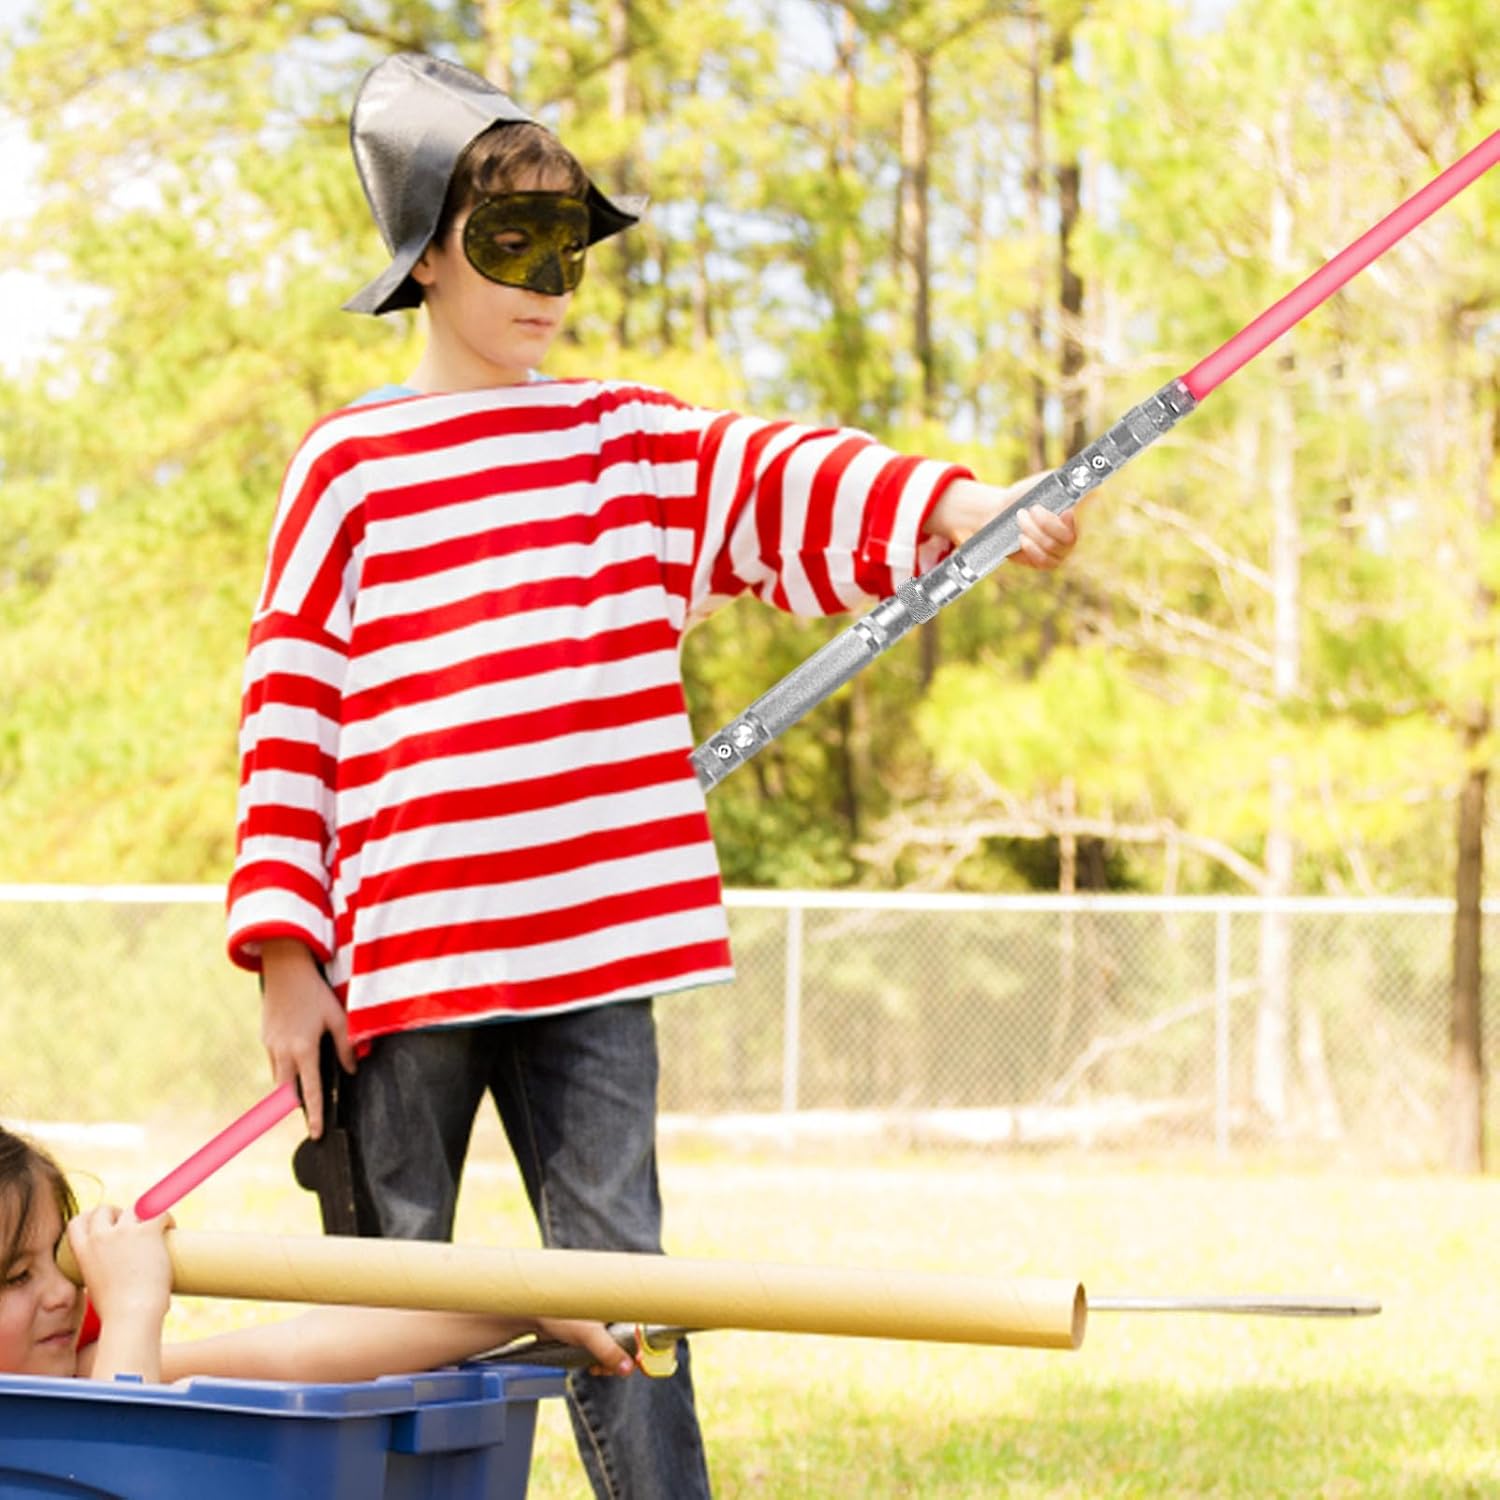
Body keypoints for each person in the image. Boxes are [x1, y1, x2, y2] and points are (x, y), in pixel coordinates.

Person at [226, 52, 1081, 1498]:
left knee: (627, 1297)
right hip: (406, 966)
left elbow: (783, 476)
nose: (549, 279)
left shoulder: (623, 444)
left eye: (570, 243)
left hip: (595, 959)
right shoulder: (349, 468)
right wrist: (285, 954)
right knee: (389, 1304)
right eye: (511, 240)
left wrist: (964, 502)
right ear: (425, 255)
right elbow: (289, 708)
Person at [0, 1126, 633, 1385]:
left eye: (61, 1258)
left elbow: (291, 1353)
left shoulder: (84, 1374)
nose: (63, 1292)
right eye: (18, 1275)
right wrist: (134, 1308)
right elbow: (116, 1466)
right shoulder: (105, 1377)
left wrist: (520, 1303)